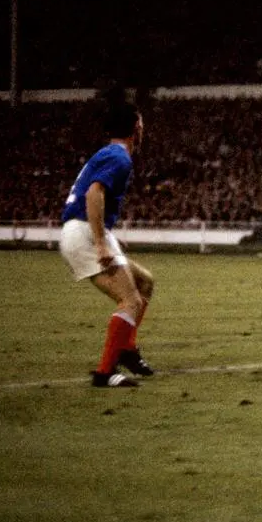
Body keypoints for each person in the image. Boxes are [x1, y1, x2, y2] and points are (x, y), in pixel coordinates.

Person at [59, 97, 156, 388]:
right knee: (130, 300)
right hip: (84, 233)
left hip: (85, 230)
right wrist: (101, 243)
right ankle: (105, 373)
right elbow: (94, 194)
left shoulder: (110, 153)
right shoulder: (119, 157)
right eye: (142, 124)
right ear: (135, 128)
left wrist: (105, 238)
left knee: (145, 282)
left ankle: (126, 349)